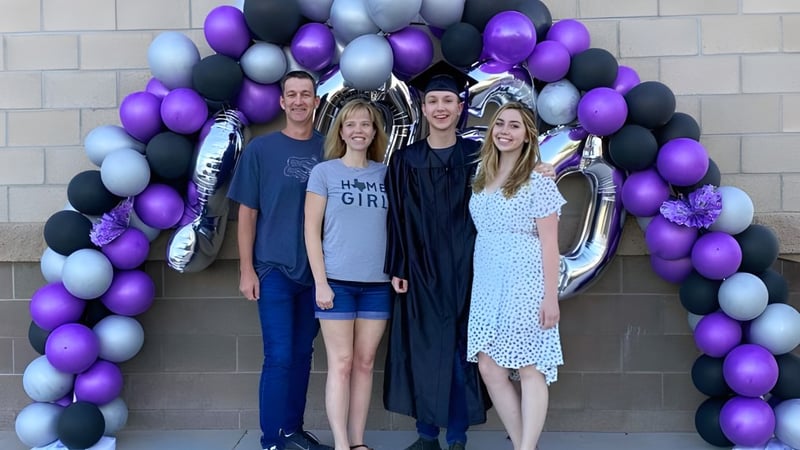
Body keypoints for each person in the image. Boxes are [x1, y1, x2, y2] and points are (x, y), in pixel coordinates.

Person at [382, 62, 489, 450]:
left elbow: (513, 183)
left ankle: (457, 436)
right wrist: (398, 264)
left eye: (448, 100)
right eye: (433, 100)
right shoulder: (406, 161)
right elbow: (395, 216)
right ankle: (427, 436)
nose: (440, 107)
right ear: (422, 108)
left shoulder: (479, 155)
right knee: (424, 349)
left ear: (460, 107)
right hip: (421, 269)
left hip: (471, 268)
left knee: (463, 353)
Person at [227, 70, 333, 450]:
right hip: (273, 269)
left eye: (307, 94)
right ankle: (272, 439)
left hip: (317, 273)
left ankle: (293, 430)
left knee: (304, 353)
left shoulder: (329, 149)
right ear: (282, 102)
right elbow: (247, 214)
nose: (300, 101)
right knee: (280, 355)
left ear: (316, 101)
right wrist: (246, 269)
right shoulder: (261, 150)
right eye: (293, 94)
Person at [467, 102, 566, 450]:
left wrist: (550, 296)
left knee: (529, 368)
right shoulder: (480, 175)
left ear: (527, 137)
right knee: (490, 369)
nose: (505, 131)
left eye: (514, 126)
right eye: (500, 124)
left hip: (525, 282)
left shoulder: (537, 181)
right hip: (487, 283)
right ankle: (525, 444)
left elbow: (551, 244)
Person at [304, 99, 391, 450]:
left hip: (377, 285)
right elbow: (311, 229)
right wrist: (321, 282)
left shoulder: (386, 173)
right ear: (341, 131)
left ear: (374, 132)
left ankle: (358, 442)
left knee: (365, 363)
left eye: (365, 124)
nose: (358, 130)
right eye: (351, 124)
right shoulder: (325, 173)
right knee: (340, 363)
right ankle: (341, 443)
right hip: (336, 283)